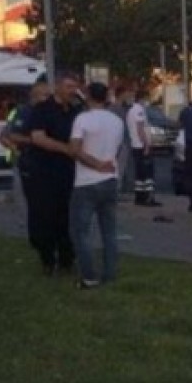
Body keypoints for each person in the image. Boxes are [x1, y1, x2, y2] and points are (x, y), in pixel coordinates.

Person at [66, 82, 125, 289]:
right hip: (110, 178)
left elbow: (75, 149)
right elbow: (116, 149)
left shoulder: (82, 119)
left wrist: (96, 164)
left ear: (88, 96)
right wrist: (106, 163)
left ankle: (89, 276)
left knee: (81, 231)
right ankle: (109, 272)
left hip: (87, 181)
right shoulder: (117, 121)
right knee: (108, 230)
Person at [28, 73, 83, 275]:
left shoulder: (76, 111)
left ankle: (67, 258)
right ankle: (48, 259)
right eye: (68, 86)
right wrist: (65, 148)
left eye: (74, 87)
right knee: (46, 216)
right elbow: (38, 138)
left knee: (67, 217)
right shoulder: (42, 110)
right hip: (45, 171)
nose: (72, 91)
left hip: (68, 172)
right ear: (58, 87)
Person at [1, 81, 49, 209]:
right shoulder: (21, 112)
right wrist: (35, 141)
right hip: (25, 161)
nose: (49, 99)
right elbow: (6, 135)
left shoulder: (46, 111)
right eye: (46, 95)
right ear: (35, 96)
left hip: (44, 163)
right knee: (26, 204)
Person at [127, 89, 161, 207]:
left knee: (140, 174)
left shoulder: (132, 110)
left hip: (136, 145)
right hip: (141, 146)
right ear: (142, 98)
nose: (148, 101)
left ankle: (140, 197)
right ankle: (148, 198)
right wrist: (146, 145)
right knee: (147, 174)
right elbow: (140, 128)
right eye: (147, 98)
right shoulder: (139, 110)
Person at [114, 87, 136, 196]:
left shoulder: (124, 108)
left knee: (124, 167)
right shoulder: (116, 109)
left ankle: (123, 189)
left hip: (124, 141)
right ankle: (117, 191)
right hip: (120, 142)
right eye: (127, 95)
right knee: (120, 167)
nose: (129, 97)